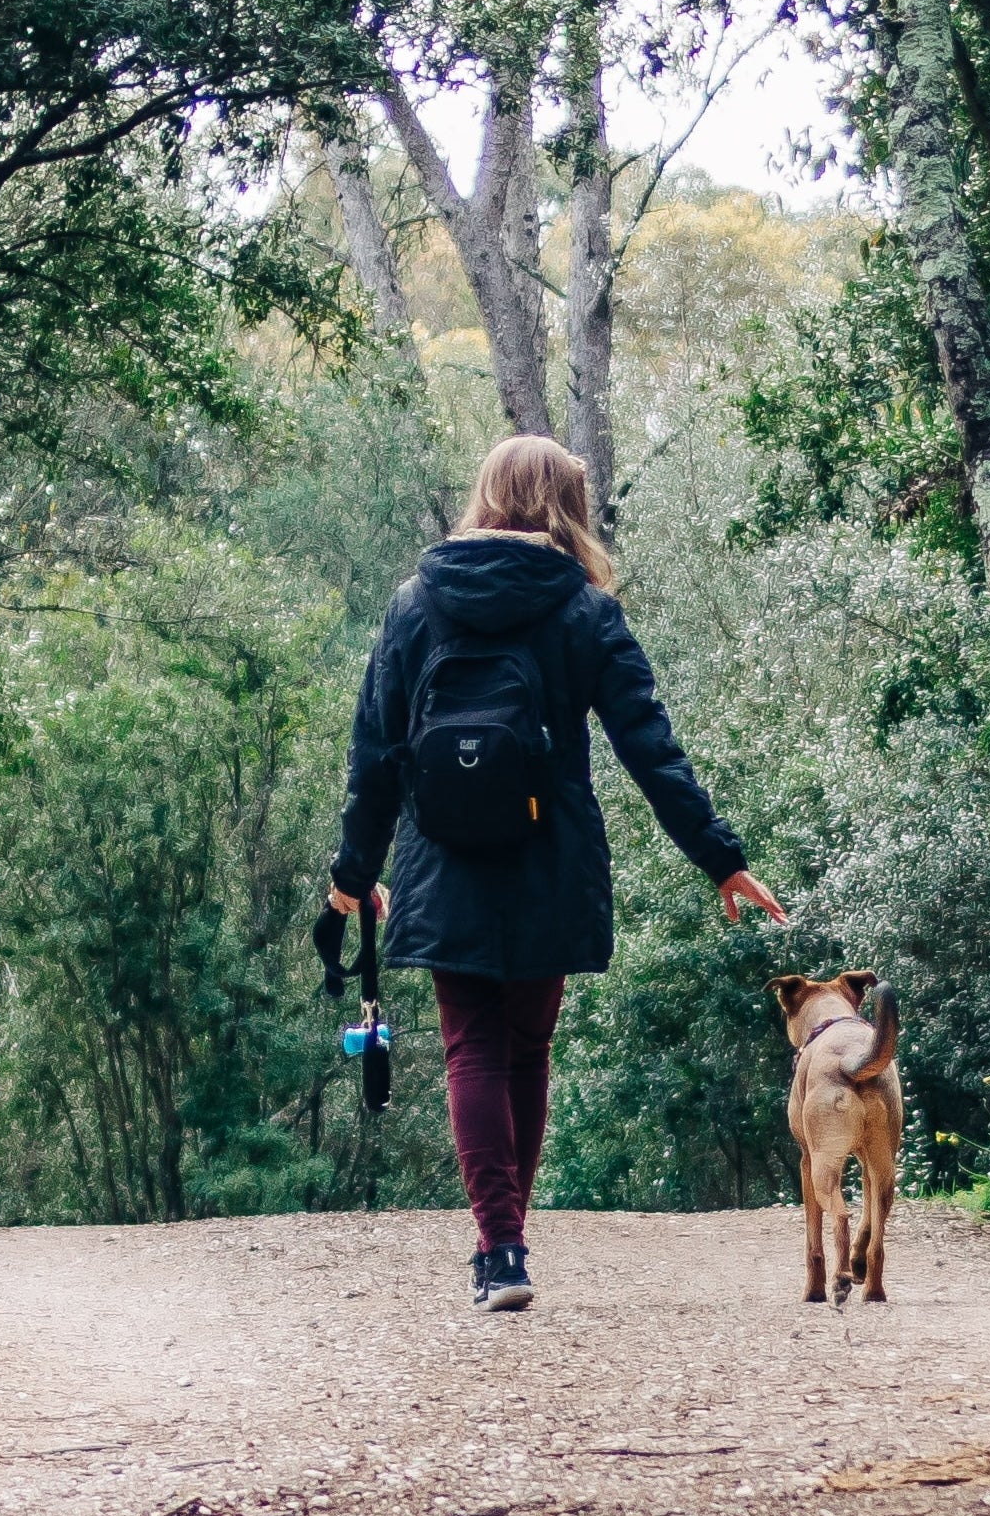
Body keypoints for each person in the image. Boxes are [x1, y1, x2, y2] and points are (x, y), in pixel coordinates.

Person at [331, 435, 787, 1310]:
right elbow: (650, 747)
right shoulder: (582, 608)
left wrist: (354, 871)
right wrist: (720, 858)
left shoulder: (416, 603)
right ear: (562, 504)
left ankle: (499, 1250)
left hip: (445, 857)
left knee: (471, 1047)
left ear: (488, 494)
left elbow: (377, 754)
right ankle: (511, 1238)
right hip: (551, 856)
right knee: (527, 1049)